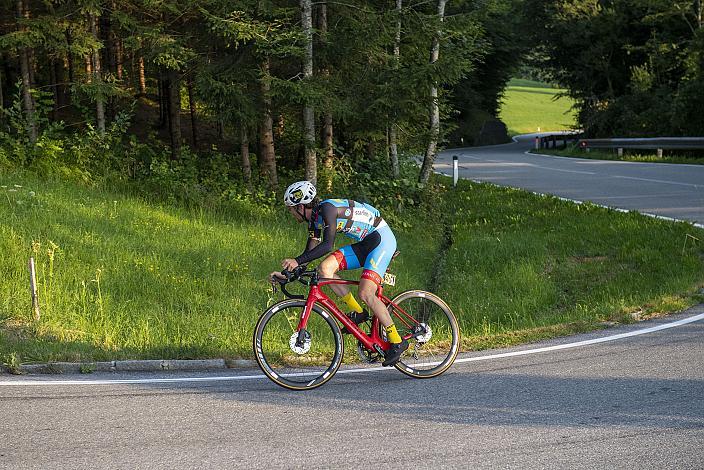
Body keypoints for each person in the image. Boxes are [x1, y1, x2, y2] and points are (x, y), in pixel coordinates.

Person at [270, 180, 408, 366]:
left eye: (291, 209)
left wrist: (297, 262)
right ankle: (357, 312)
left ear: (301, 206)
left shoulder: (327, 209)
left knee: (366, 292)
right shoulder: (315, 219)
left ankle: (397, 340)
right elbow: (309, 254)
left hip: (381, 239)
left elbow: (327, 245)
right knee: (325, 269)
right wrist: (288, 273)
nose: (291, 213)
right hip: (365, 243)